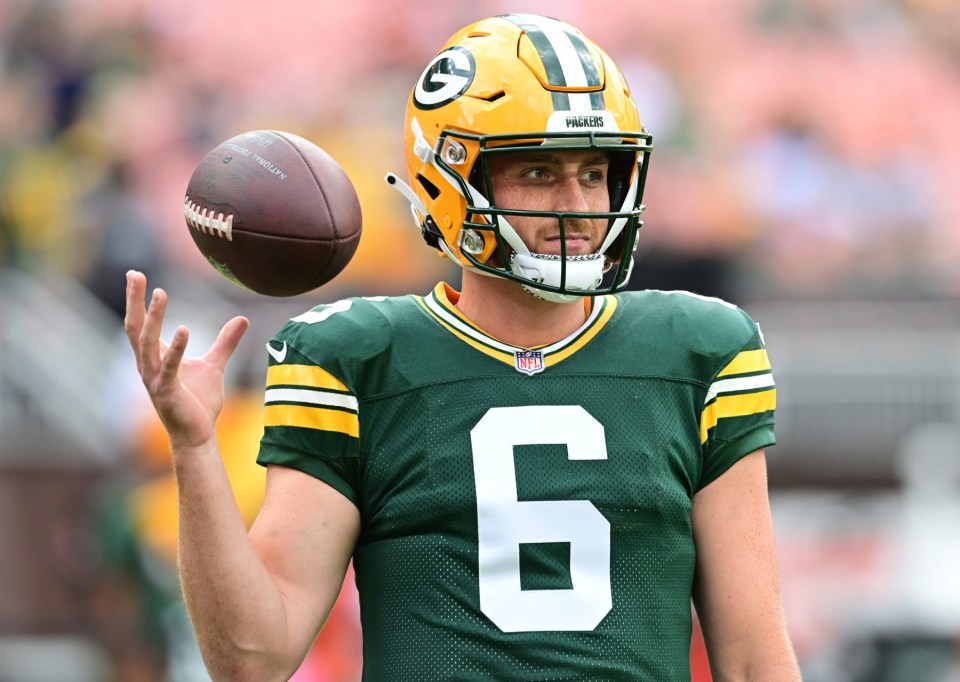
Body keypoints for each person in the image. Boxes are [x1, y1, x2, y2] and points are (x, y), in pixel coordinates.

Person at [124, 13, 801, 681]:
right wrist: (194, 449)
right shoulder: (356, 359)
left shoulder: (699, 351)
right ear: (450, 180)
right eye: (539, 174)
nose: (578, 205)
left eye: (595, 173)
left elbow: (753, 660)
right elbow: (252, 658)